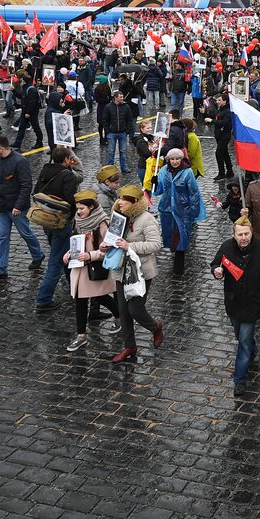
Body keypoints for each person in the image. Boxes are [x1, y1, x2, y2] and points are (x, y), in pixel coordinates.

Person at [212, 217, 260, 397]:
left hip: (253, 303)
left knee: (243, 341)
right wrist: (216, 271)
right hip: (233, 302)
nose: (243, 237)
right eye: (240, 234)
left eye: (246, 234)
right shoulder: (227, 247)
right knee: (240, 335)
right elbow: (215, 263)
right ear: (234, 235)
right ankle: (253, 351)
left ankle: (240, 379)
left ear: (252, 233)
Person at [60, 190, 120, 353]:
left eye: (82, 209)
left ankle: (120, 316)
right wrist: (68, 253)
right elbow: (75, 240)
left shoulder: (102, 223)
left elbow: (111, 249)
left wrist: (90, 255)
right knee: (79, 300)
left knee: (100, 296)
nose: (78, 212)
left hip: (94, 267)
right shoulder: (78, 220)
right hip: (80, 268)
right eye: (77, 208)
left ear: (92, 207)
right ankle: (81, 336)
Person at [111, 185, 164, 363]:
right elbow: (113, 239)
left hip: (139, 272)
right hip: (120, 270)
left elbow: (155, 245)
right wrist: (106, 246)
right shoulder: (119, 216)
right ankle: (129, 346)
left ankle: (155, 327)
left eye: (123, 200)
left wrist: (129, 246)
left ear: (133, 202)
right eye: (118, 198)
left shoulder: (147, 219)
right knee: (123, 311)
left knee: (135, 309)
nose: (119, 202)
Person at [34, 147, 83, 311]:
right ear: (67, 159)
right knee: (56, 261)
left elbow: (36, 192)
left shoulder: (45, 170)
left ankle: (74, 288)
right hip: (61, 223)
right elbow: (71, 200)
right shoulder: (67, 175)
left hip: (46, 220)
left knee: (64, 256)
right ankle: (44, 299)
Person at [0, 135, 44, 282]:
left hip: (16, 208)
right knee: (2, 237)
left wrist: (18, 206)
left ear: (1, 148)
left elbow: (26, 185)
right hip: (1, 206)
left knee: (25, 233)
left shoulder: (20, 161)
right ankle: (0, 269)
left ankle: (38, 255)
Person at [155, 147, 205, 274]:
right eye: (172, 159)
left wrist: (194, 211)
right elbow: (158, 191)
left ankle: (179, 266)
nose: (175, 161)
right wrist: (154, 183)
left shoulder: (187, 173)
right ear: (168, 160)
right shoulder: (163, 171)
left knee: (181, 237)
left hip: (183, 210)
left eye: (177, 158)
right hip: (166, 209)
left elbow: (193, 193)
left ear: (181, 159)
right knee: (171, 236)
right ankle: (175, 252)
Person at [98, 89, 135, 173]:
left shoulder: (126, 107)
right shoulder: (108, 107)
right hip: (112, 133)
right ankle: (110, 168)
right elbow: (105, 120)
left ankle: (124, 167)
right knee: (111, 151)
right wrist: (107, 131)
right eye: (120, 97)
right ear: (115, 98)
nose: (122, 98)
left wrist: (127, 131)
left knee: (123, 151)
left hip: (122, 132)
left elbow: (130, 119)